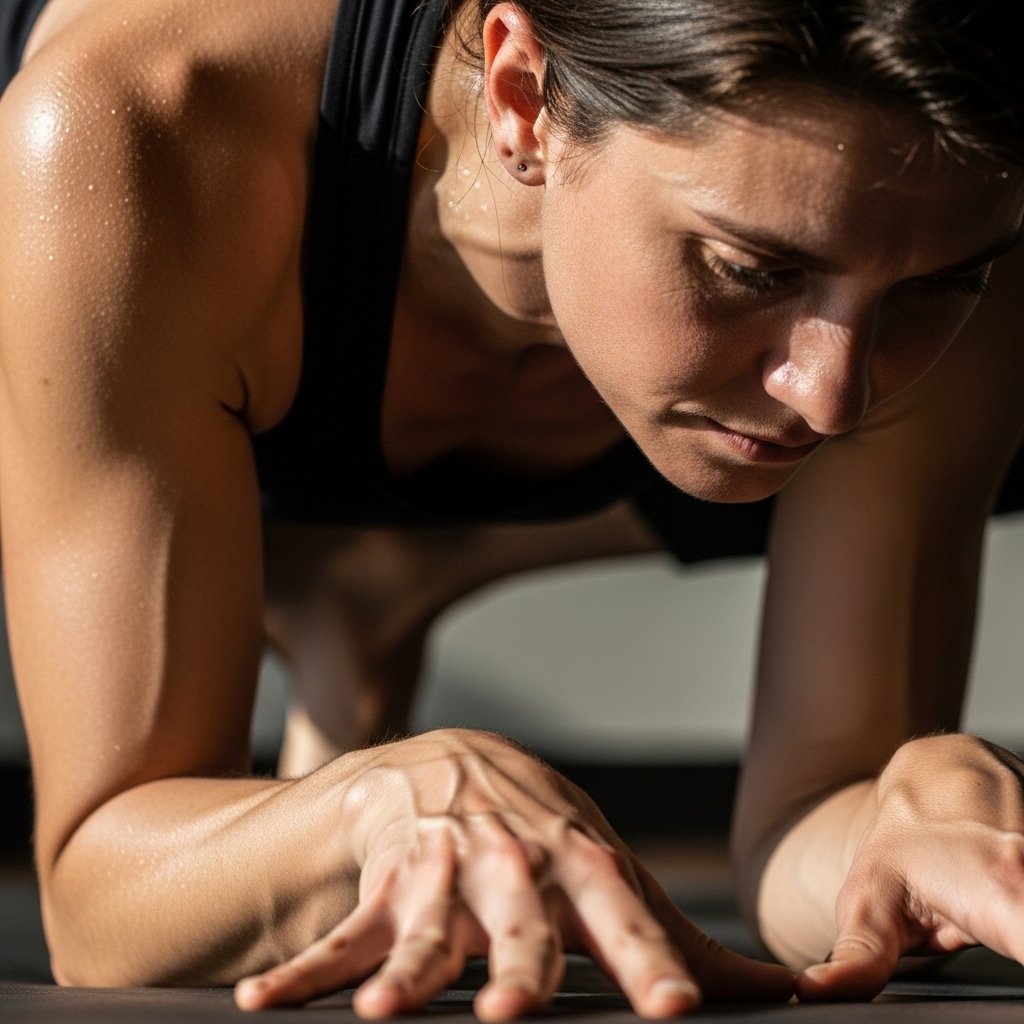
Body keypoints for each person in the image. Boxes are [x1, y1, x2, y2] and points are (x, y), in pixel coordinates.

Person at [0, 0, 1022, 1018]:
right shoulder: (143, 128)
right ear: (523, 99)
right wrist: (379, 801)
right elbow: (97, 893)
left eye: (941, 286)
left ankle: (376, 577)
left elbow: (810, 825)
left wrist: (911, 810)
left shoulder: (920, 195)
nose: (835, 397)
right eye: (751, 268)